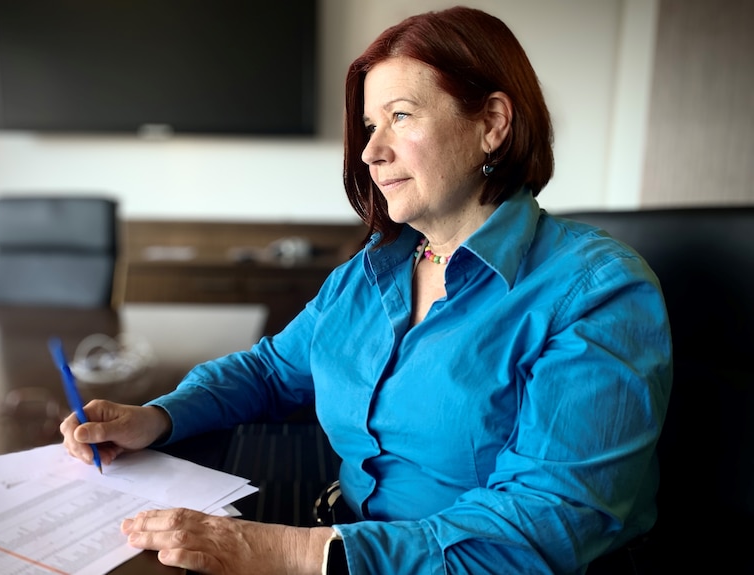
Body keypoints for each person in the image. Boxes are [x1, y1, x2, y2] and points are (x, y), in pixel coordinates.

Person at [61, 6, 672, 574]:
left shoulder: (599, 292)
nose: (372, 152)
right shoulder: (373, 269)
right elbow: (272, 371)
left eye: (400, 116)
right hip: (339, 541)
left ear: (491, 123)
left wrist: (287, 550)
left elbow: (547, 525)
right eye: (371, 125)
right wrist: (157, 416)